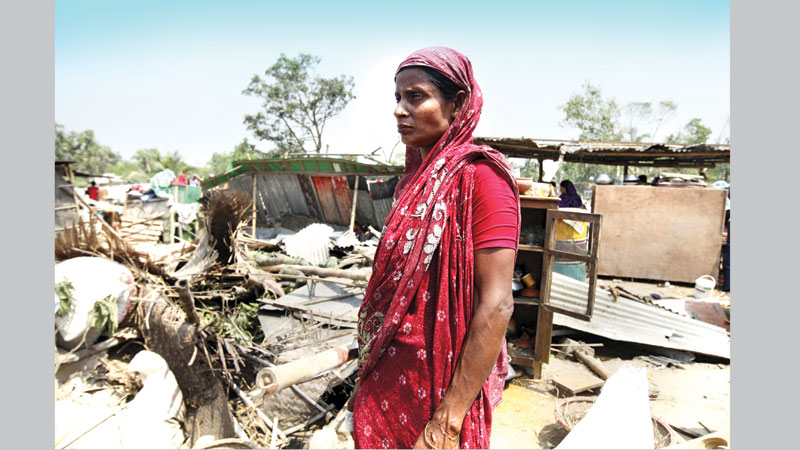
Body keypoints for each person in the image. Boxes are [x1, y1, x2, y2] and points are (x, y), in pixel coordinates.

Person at [350, 47, 520, 449]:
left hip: (441, 394)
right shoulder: (412, 184)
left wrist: (449, 418)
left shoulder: (483, 179)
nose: (399, 110)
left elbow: (497, 304)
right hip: (387, 381)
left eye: (416, 97)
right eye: (397, 98)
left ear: (458, 103)